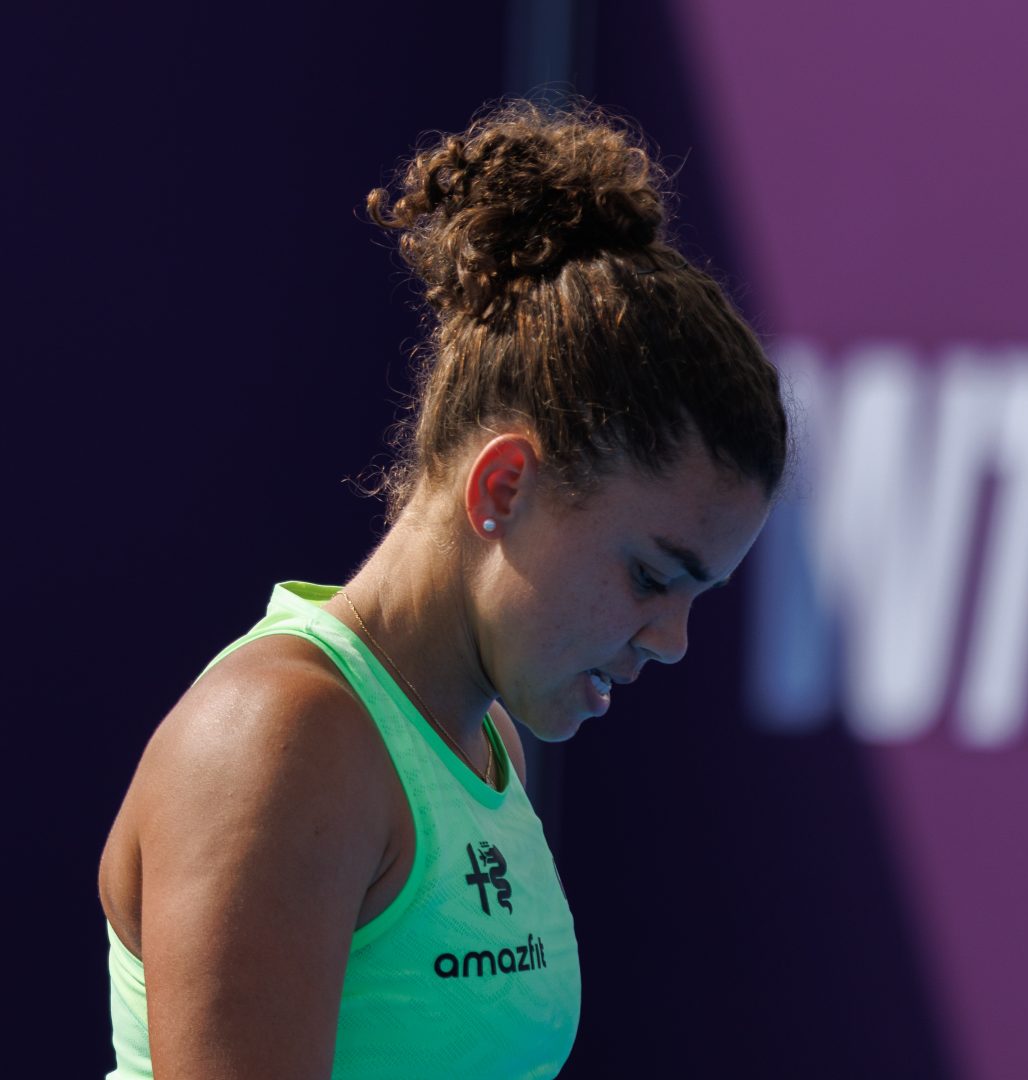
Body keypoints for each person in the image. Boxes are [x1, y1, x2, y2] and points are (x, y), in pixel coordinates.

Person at [98, 99, 788, 1080]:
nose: (670, 639)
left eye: (696, 596)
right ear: (503, 486)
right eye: (649, 576)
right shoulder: (279, 740)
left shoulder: (483, 740)